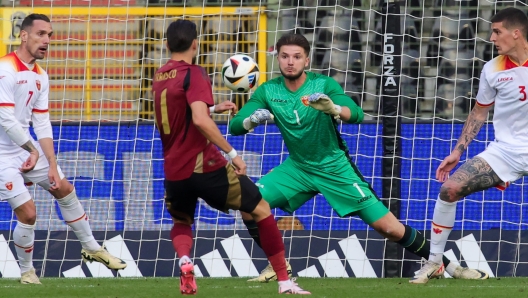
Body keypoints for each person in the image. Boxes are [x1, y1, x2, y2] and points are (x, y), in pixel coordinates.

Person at [229, 33, 489, 283]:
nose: (290, 61)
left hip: (335, 168)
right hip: (297, 167)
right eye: (285, 56)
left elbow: (356, 114)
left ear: (306, 60)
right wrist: (252, 119)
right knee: (248, 204)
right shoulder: (268, 91)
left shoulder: (323, 85)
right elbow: (236, 125)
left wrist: (332, 108)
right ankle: (278, 267)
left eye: (297, 56)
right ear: (278, 59)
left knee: (389, 228)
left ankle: (451, 267)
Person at [152, 20, 310, 295]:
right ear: (195, 44)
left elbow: (184, 116)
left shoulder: (159, 75)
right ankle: (285, 280)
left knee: (182, 222)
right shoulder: (195, 72)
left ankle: (186, 261)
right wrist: (232, 153)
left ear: (166, 45)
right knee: (260, 209)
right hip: (204, 164)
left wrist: (213, 109)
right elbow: (200, 120)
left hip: (173, 169)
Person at [0, 14, 127, 284]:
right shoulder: (6, 69)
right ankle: (26, 272)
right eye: (41, 34)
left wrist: (52, 165)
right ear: (24, 36)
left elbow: (42, 123)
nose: (47, 40)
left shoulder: (40, 76)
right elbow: (7, 120)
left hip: (24, 150)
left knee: (64, 188)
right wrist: (32, 151)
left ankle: (92, 248)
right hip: (2, 155)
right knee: (29, 212)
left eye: (50, 35)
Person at [412, 7, 528, 284]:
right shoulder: (492, 69)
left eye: (497, 31)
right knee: (449, 189)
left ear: (516, 33)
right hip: (507, 152)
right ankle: (435, 262)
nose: (492, 38)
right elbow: (478, 113)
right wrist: (457, 150)